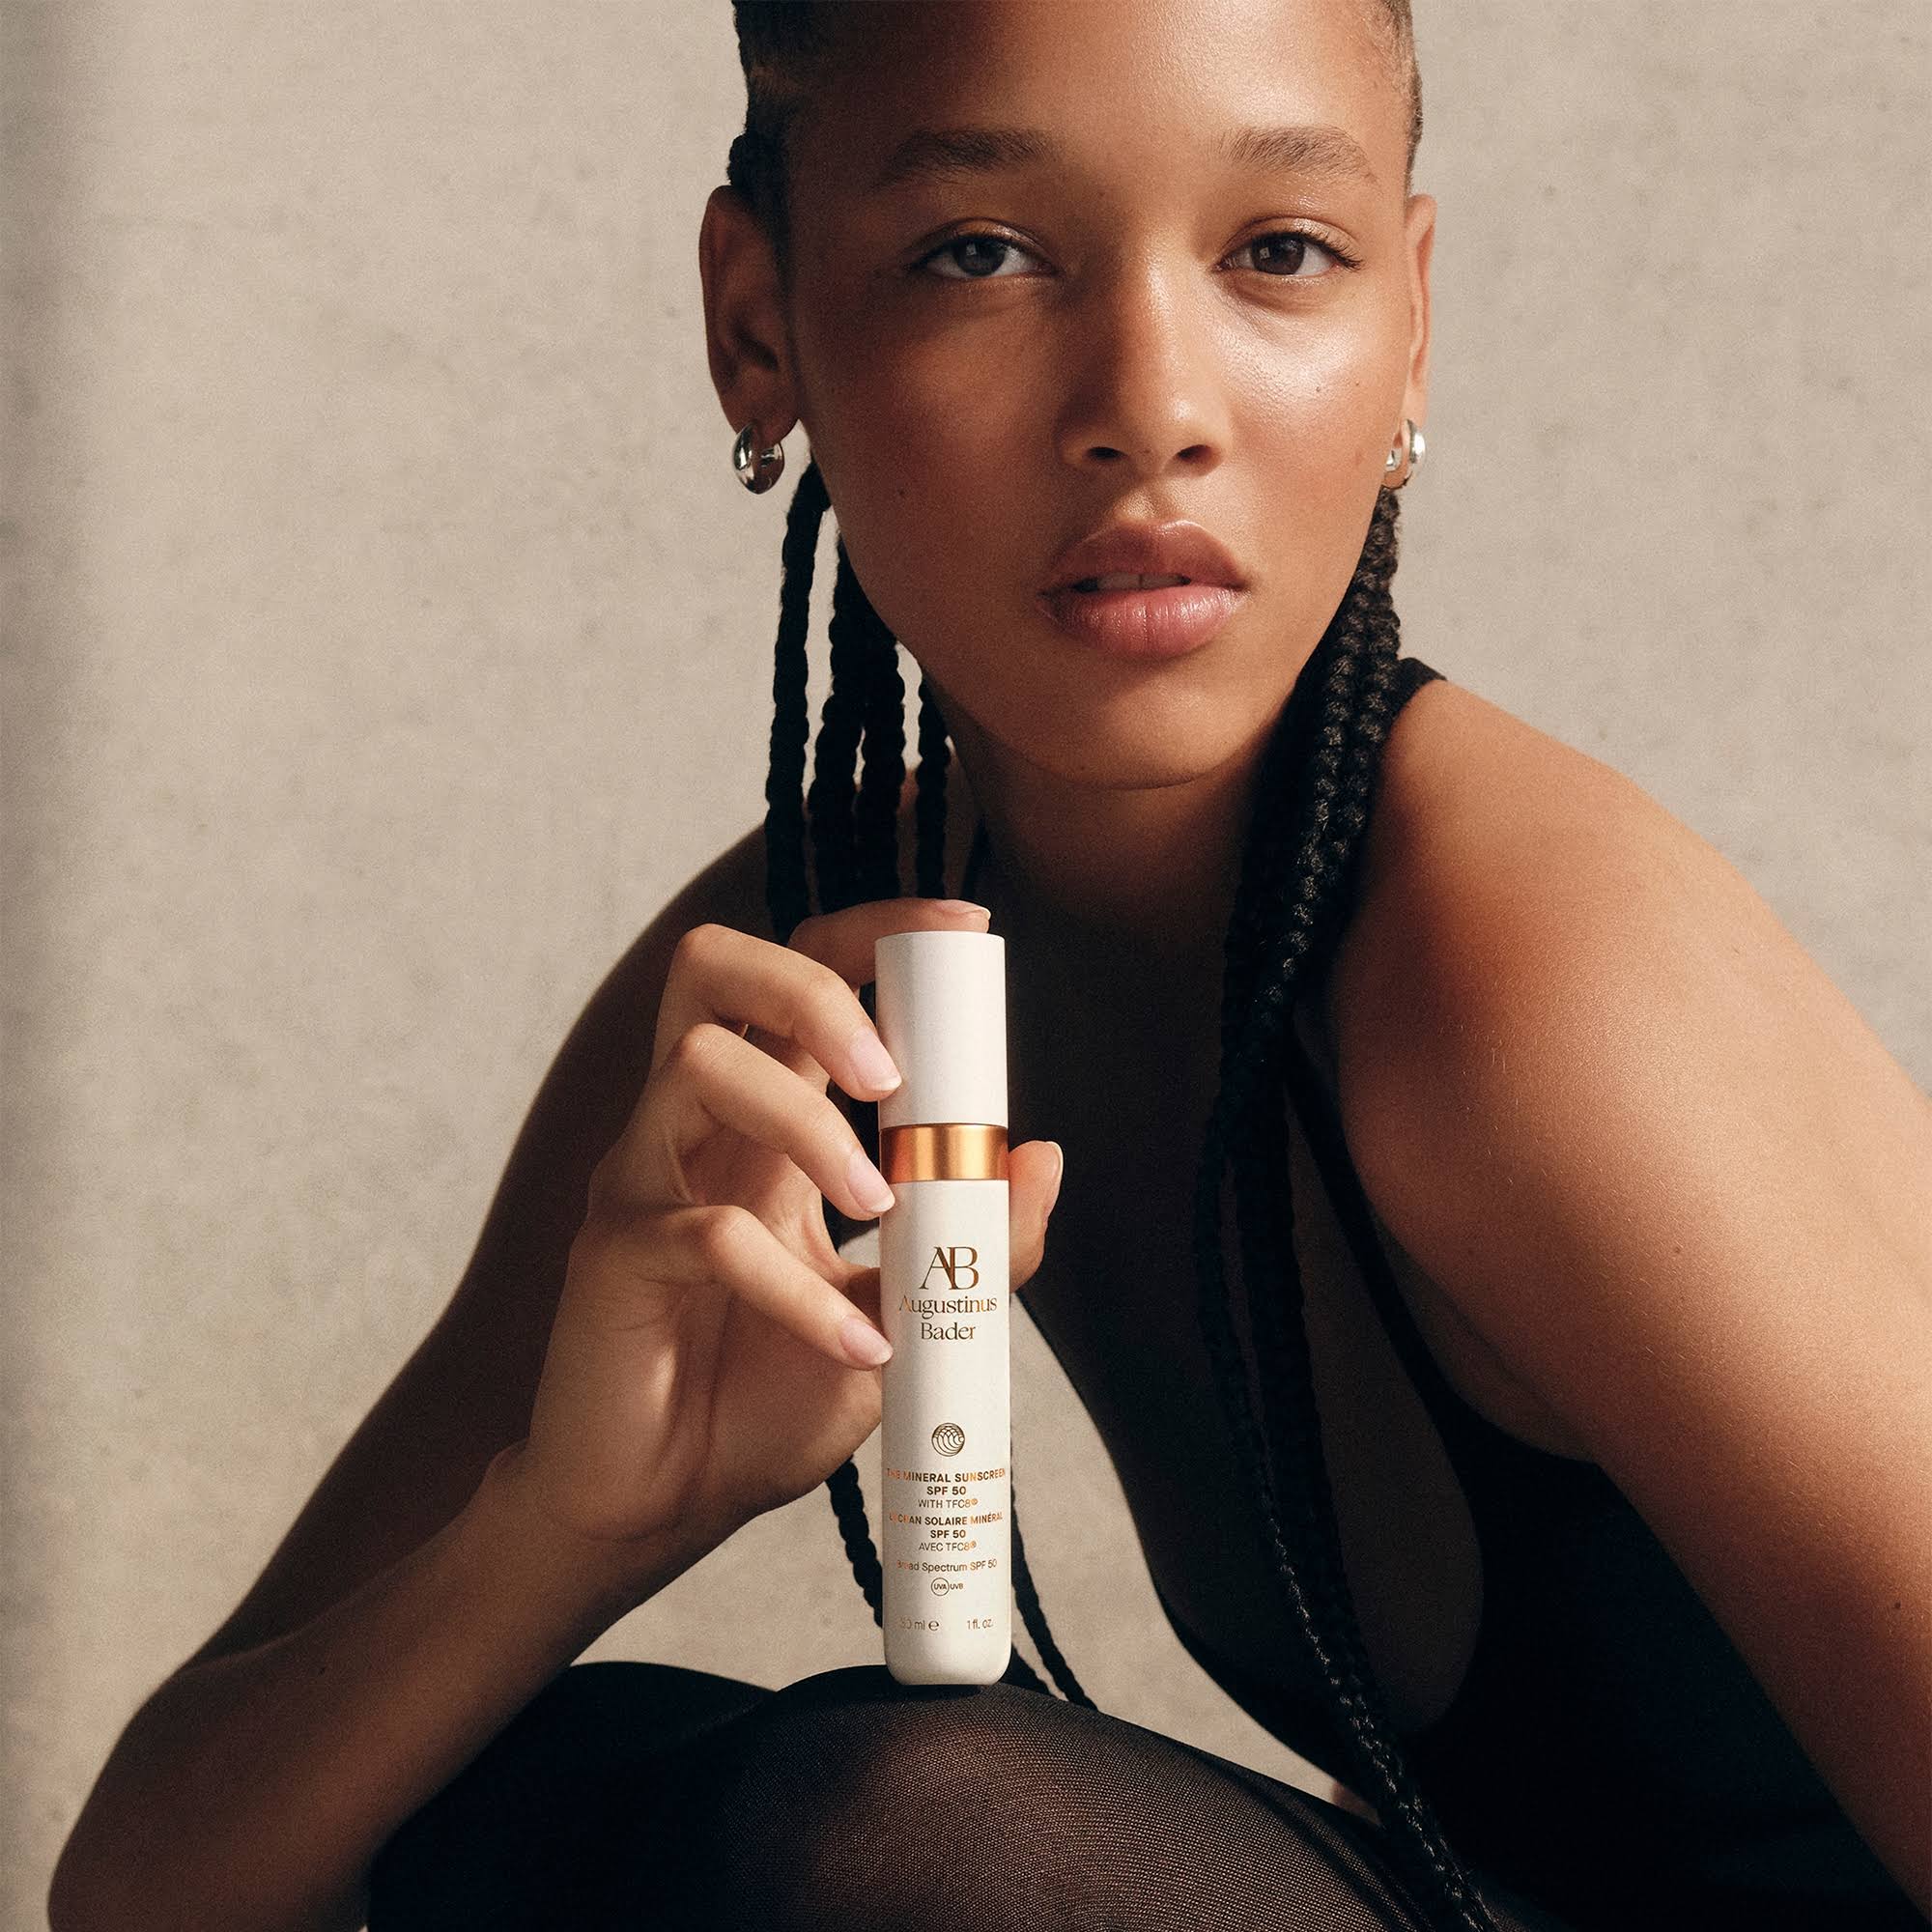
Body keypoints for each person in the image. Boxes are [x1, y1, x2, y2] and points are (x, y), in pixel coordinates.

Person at [48, 3, 1929, 1929]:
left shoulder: (1523, 977)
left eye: (1279, 252)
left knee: (913, 1837)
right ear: (758, 322)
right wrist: (573, 1520)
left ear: (1412, 320)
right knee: (521, 1789)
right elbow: (155, 1890)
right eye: (984, 255)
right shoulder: (826, 970)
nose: (1152, 401)